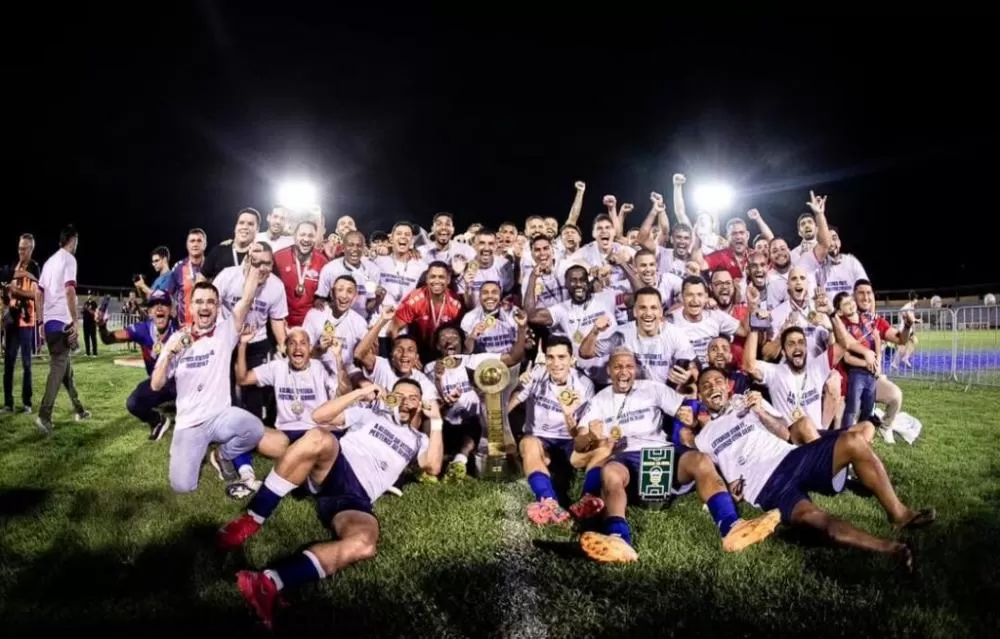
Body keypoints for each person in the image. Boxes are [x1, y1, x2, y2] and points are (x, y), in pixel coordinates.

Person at [216, 380, 443, 629]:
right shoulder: (370, 413)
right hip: (336, 466)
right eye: (400, 394)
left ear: (419, 404)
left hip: (356, 499)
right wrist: (360, 392)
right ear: (391, 396)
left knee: (364, 544)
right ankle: (251, 520)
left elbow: (432, 466)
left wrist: (437, 421)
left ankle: (268, 583)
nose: (405, 401)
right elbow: (319, 415)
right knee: (318, 437)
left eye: (413, 397)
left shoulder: (418, 438)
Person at [689, 367, 934, 568]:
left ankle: (899, 514)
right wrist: (731, 489)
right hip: (765, 488)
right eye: (706, 386)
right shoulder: (703, 438)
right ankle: (893, 550)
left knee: (854, 441)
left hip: (791, 458)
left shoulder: (747, 402)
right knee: (814, 520)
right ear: (700, 397)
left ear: (728, 386)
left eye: (717, 381)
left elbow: (785, 432)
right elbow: (713, 479)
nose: (713, 387)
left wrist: (760, 412)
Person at [575, 348, 780, 563]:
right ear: (609, 370)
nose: (624, 372)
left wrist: (689, 417)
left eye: (628, 366)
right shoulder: (599, 400)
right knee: (610, 472)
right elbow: (580, 444)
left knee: (701, 460)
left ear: (635, 369)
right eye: (618, 367)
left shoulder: (652, 389)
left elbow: (687, 409)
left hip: (661, 451)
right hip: (625, 456)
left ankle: (732, 527)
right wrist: (590, 434)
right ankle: (618, 539)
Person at [149, 276, 264, 497]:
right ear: (191, 306)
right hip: (190, 424)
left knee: (254, 429)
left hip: (220, 416)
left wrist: (255, 266)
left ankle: (222, 455)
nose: (205, 306)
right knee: (182, 486)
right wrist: (169, 355)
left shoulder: (225, 332)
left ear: (218, 306)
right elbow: (156, 385)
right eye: (199, 301)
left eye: (210, 302)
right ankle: (189, 450)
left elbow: (247, 298)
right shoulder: (178, 339)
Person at [97, 290, 179, 441]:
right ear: (149, 311)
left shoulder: (180, 328)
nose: (159, 308)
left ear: (171, 310)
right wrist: (102, 326)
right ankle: (157, 421)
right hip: (159, 384)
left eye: (164, 304)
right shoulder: (142, 330)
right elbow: (108, 339)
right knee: (133, 403)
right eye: (154, 305)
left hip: (182, 383)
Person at [36, 225, 89, 435]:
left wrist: (41, 323)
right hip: (62, 323)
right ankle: (44, 415)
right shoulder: (69, 259)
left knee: (66, 370)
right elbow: (69, 290)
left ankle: (80, 410)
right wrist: (75, 322)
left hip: (49, 324)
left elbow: (38, 294)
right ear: (73, 239)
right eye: (77, 241)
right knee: (58, 368)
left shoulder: (49, 262)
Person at [3, 233, 40, 414]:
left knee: (26, 364)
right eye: (19, 248)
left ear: (31, 249)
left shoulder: (35, 268)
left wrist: (16, 292)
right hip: (11, 320)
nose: (21, 252)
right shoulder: (13, 267)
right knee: (8, 362)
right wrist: (6, 293)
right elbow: (8, 293)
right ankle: (8, 403)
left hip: (26, 322)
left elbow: (35, 294)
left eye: (24, 249)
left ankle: (27, 403)